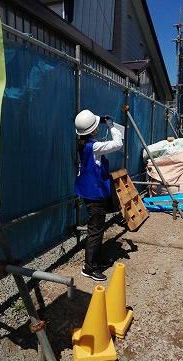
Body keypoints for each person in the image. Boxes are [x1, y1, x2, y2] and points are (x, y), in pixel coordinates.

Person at [74, 109, 123, 281]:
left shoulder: (83, 143)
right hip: (94, 194)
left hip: (89, 191)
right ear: (93, 130)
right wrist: (111, 125)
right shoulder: (94, 147)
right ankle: (89, 267)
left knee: (97, 228)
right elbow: (118, 144)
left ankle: (93, 260)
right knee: (95, 230)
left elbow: (88, 130)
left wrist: (98, 122)